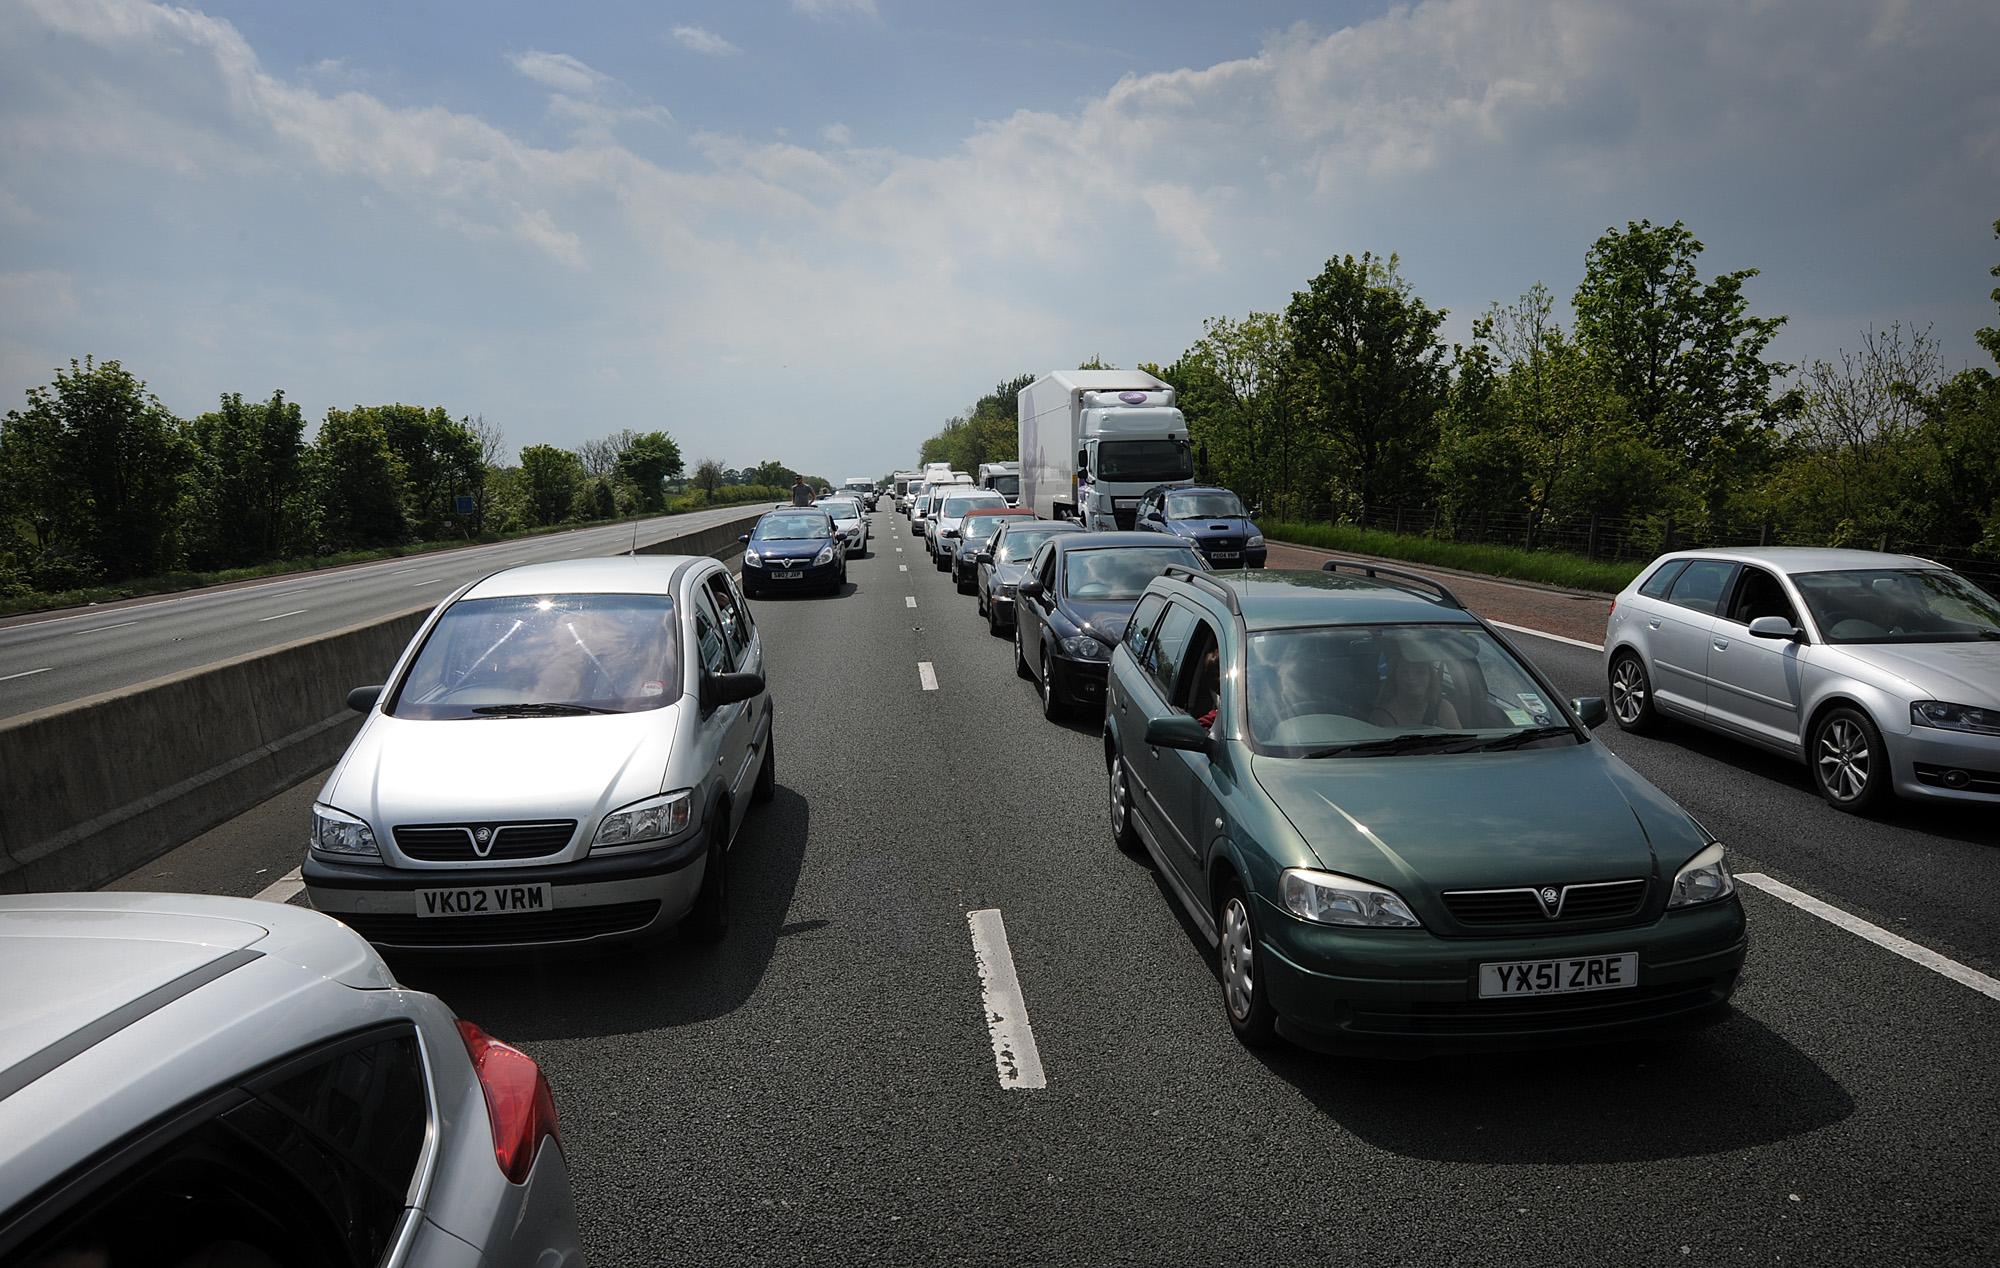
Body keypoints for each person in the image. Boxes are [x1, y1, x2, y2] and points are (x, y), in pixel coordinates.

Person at [1371, 638, 1461, 729]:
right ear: (1395, 677)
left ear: (1430, 678)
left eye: (1420, 672)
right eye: (1405, 672)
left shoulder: (1443, 709)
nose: (1411, 678)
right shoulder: (1381, 716)